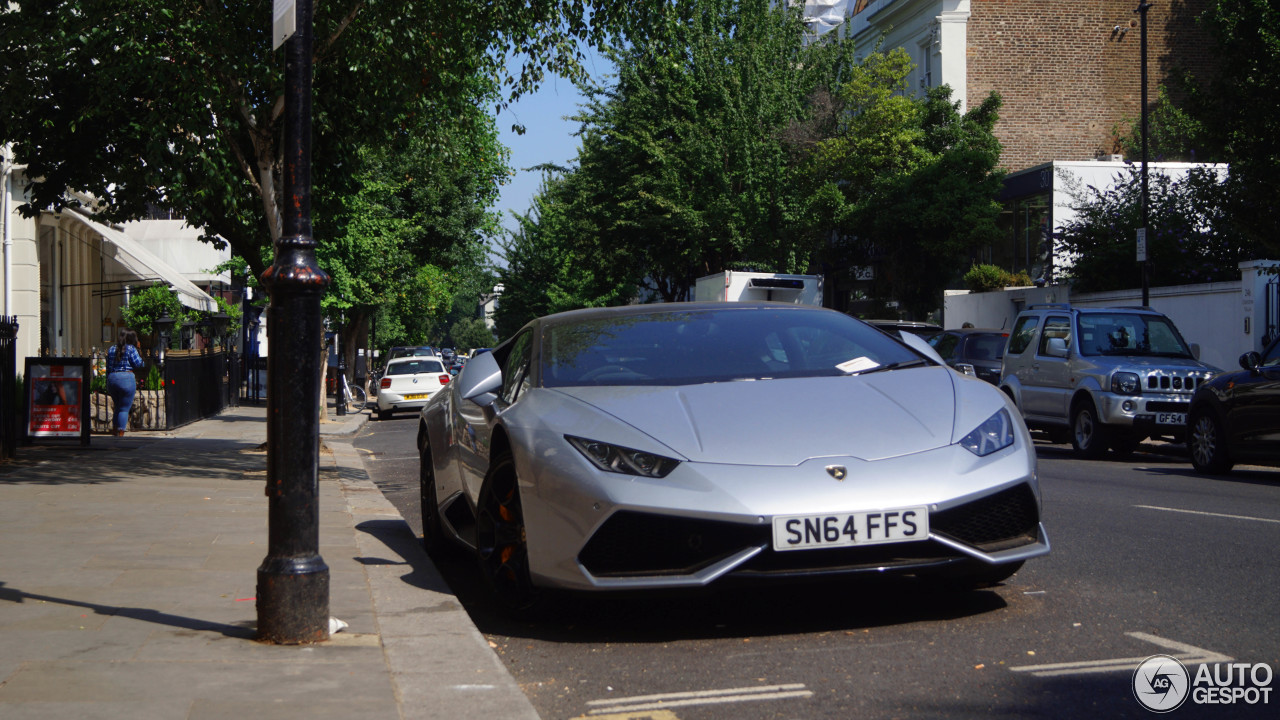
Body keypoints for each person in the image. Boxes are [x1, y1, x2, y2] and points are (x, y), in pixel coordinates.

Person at [106, 327, 146, 437]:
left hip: (112, 378)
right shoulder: (131, 349)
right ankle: (121, 433)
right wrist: (139, 350)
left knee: (117, 406)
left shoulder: (111, 349)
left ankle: (114, 431)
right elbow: (139, 364)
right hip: (126, 379)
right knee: (124, 408)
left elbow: (108, 367)